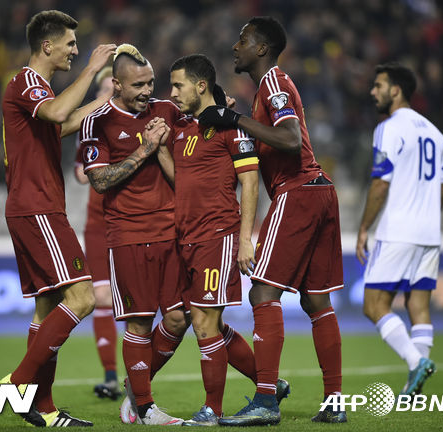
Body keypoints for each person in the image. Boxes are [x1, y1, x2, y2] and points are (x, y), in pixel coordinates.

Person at [199, 16, 345, 425]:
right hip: (319, 192)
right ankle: (334, 402)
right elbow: (271, 139)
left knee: (263, 293)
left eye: (243, 40)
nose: (235, 46)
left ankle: (265, 399)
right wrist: (237, 119)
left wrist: (234, 121)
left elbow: (291, 139)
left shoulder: (274, 83)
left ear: (261, 48)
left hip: (298, 191)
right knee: (316, 301)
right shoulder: (267, 90)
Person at [156, 54, 290, 426]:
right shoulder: (183, 130)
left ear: (201, 86)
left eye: (179, 85)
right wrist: (159, 150)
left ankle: (212, 410)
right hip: (187, 239)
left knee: (204, 322)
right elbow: (183, 183)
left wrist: (246, 239)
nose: (173, 93)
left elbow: (249, 183)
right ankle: (269, 384)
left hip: (218, 235)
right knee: (205, 321)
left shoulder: (232, 127)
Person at [0, 9, 116, 427]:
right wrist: (92, 70)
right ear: (46, 45)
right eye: (70, 43)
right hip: (38, 208)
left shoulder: (38, 91)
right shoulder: (28, 82)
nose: (75, 50)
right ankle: (18, 382)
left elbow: (60, 126)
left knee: (46, 309)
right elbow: (55, 114)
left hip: (33, 206)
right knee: (83, 298)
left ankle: (44, 408)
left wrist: (106, 102)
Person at [77, 44, 189, 426]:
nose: (147, 91)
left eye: (150, 83)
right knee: (139, 322)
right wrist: (145, 150)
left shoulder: (168, 111)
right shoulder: (97, 122)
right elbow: (100, 181)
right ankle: (144, 406)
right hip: (128, 234)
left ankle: (133, 388)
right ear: (116, 84)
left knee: (180, 318)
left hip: (172, 232)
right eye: (138, 85)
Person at [356, 62, 443, 397]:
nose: (373, 92)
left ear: (396, 91)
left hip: (398, 231)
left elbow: (381, 183)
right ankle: (415, 387)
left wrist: (364, 228)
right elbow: (441, 187)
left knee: (373, 305)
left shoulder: (389, 128)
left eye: (378, 86)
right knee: (418, 306)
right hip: (429, 232)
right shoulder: (435, 133)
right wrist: (429, 220)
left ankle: (415, 362)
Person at [74, 66, 122, 401]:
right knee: (101, 296)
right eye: (102, 89)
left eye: (112, 89)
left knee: (137, 300)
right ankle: (110, 376)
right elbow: (80, 175)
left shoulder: (136, 123)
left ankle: (140, 377)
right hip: (98, 222)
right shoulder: (90, 126)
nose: (107, 94)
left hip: (129, 219)